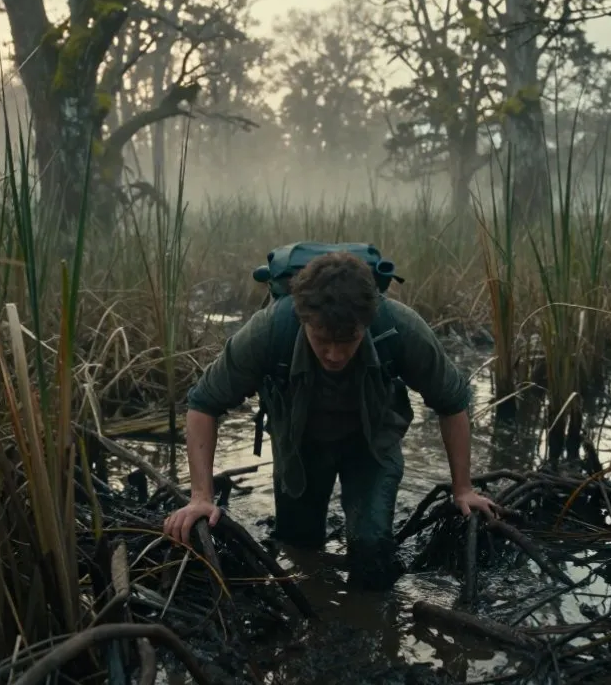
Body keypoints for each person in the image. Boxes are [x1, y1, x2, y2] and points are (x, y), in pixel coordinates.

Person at [162, 251, 497, 589]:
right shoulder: (268, 331)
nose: (334, 355)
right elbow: (203, 404)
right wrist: (201, 497)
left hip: (372, 448)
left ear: (366, 322)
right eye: (322, 339)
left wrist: (463, 489)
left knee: (371, 549)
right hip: (300, 447)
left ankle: (371, 624)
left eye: (347, 341)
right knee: (298, 546)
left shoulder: (399, 328)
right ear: (303, 317)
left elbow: (452, 403)